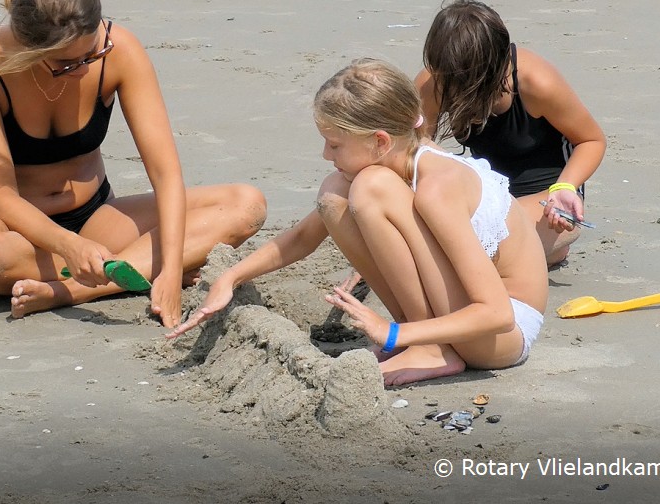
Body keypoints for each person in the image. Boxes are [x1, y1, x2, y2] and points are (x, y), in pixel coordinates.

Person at [167, 59, 548, 387]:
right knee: (335, 193)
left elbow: (496, 314)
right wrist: (230, 278)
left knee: (369, 187)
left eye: (334, 144)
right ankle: (422, 340)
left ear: (380, 141)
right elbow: (303, 237)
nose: (325, 154)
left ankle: (428, 346)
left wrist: (394, 333)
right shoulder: (397, 157)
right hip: (466, 319)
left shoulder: (436, 188)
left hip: (502, 333)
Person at [0, 0, 266, 327]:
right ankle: (131, 266)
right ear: (29, 47)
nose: (82, 69)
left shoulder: (119, 48)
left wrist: (171, 271)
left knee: (246, 205)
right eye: (64, 63)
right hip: (8, 231)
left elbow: (165, 173)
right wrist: (70, 246)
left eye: (90, 55)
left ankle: (74, 290)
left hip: (95, 220)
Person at [416, 0, 606, 266]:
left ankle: (549, 248)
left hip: (547, 199)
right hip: (485, 190)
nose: (454, 90)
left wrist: (565, 187)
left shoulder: (536, 83)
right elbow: (414, 149)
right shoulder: (436, 81)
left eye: (468, 84)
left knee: (469, 247)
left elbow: (591, 141)